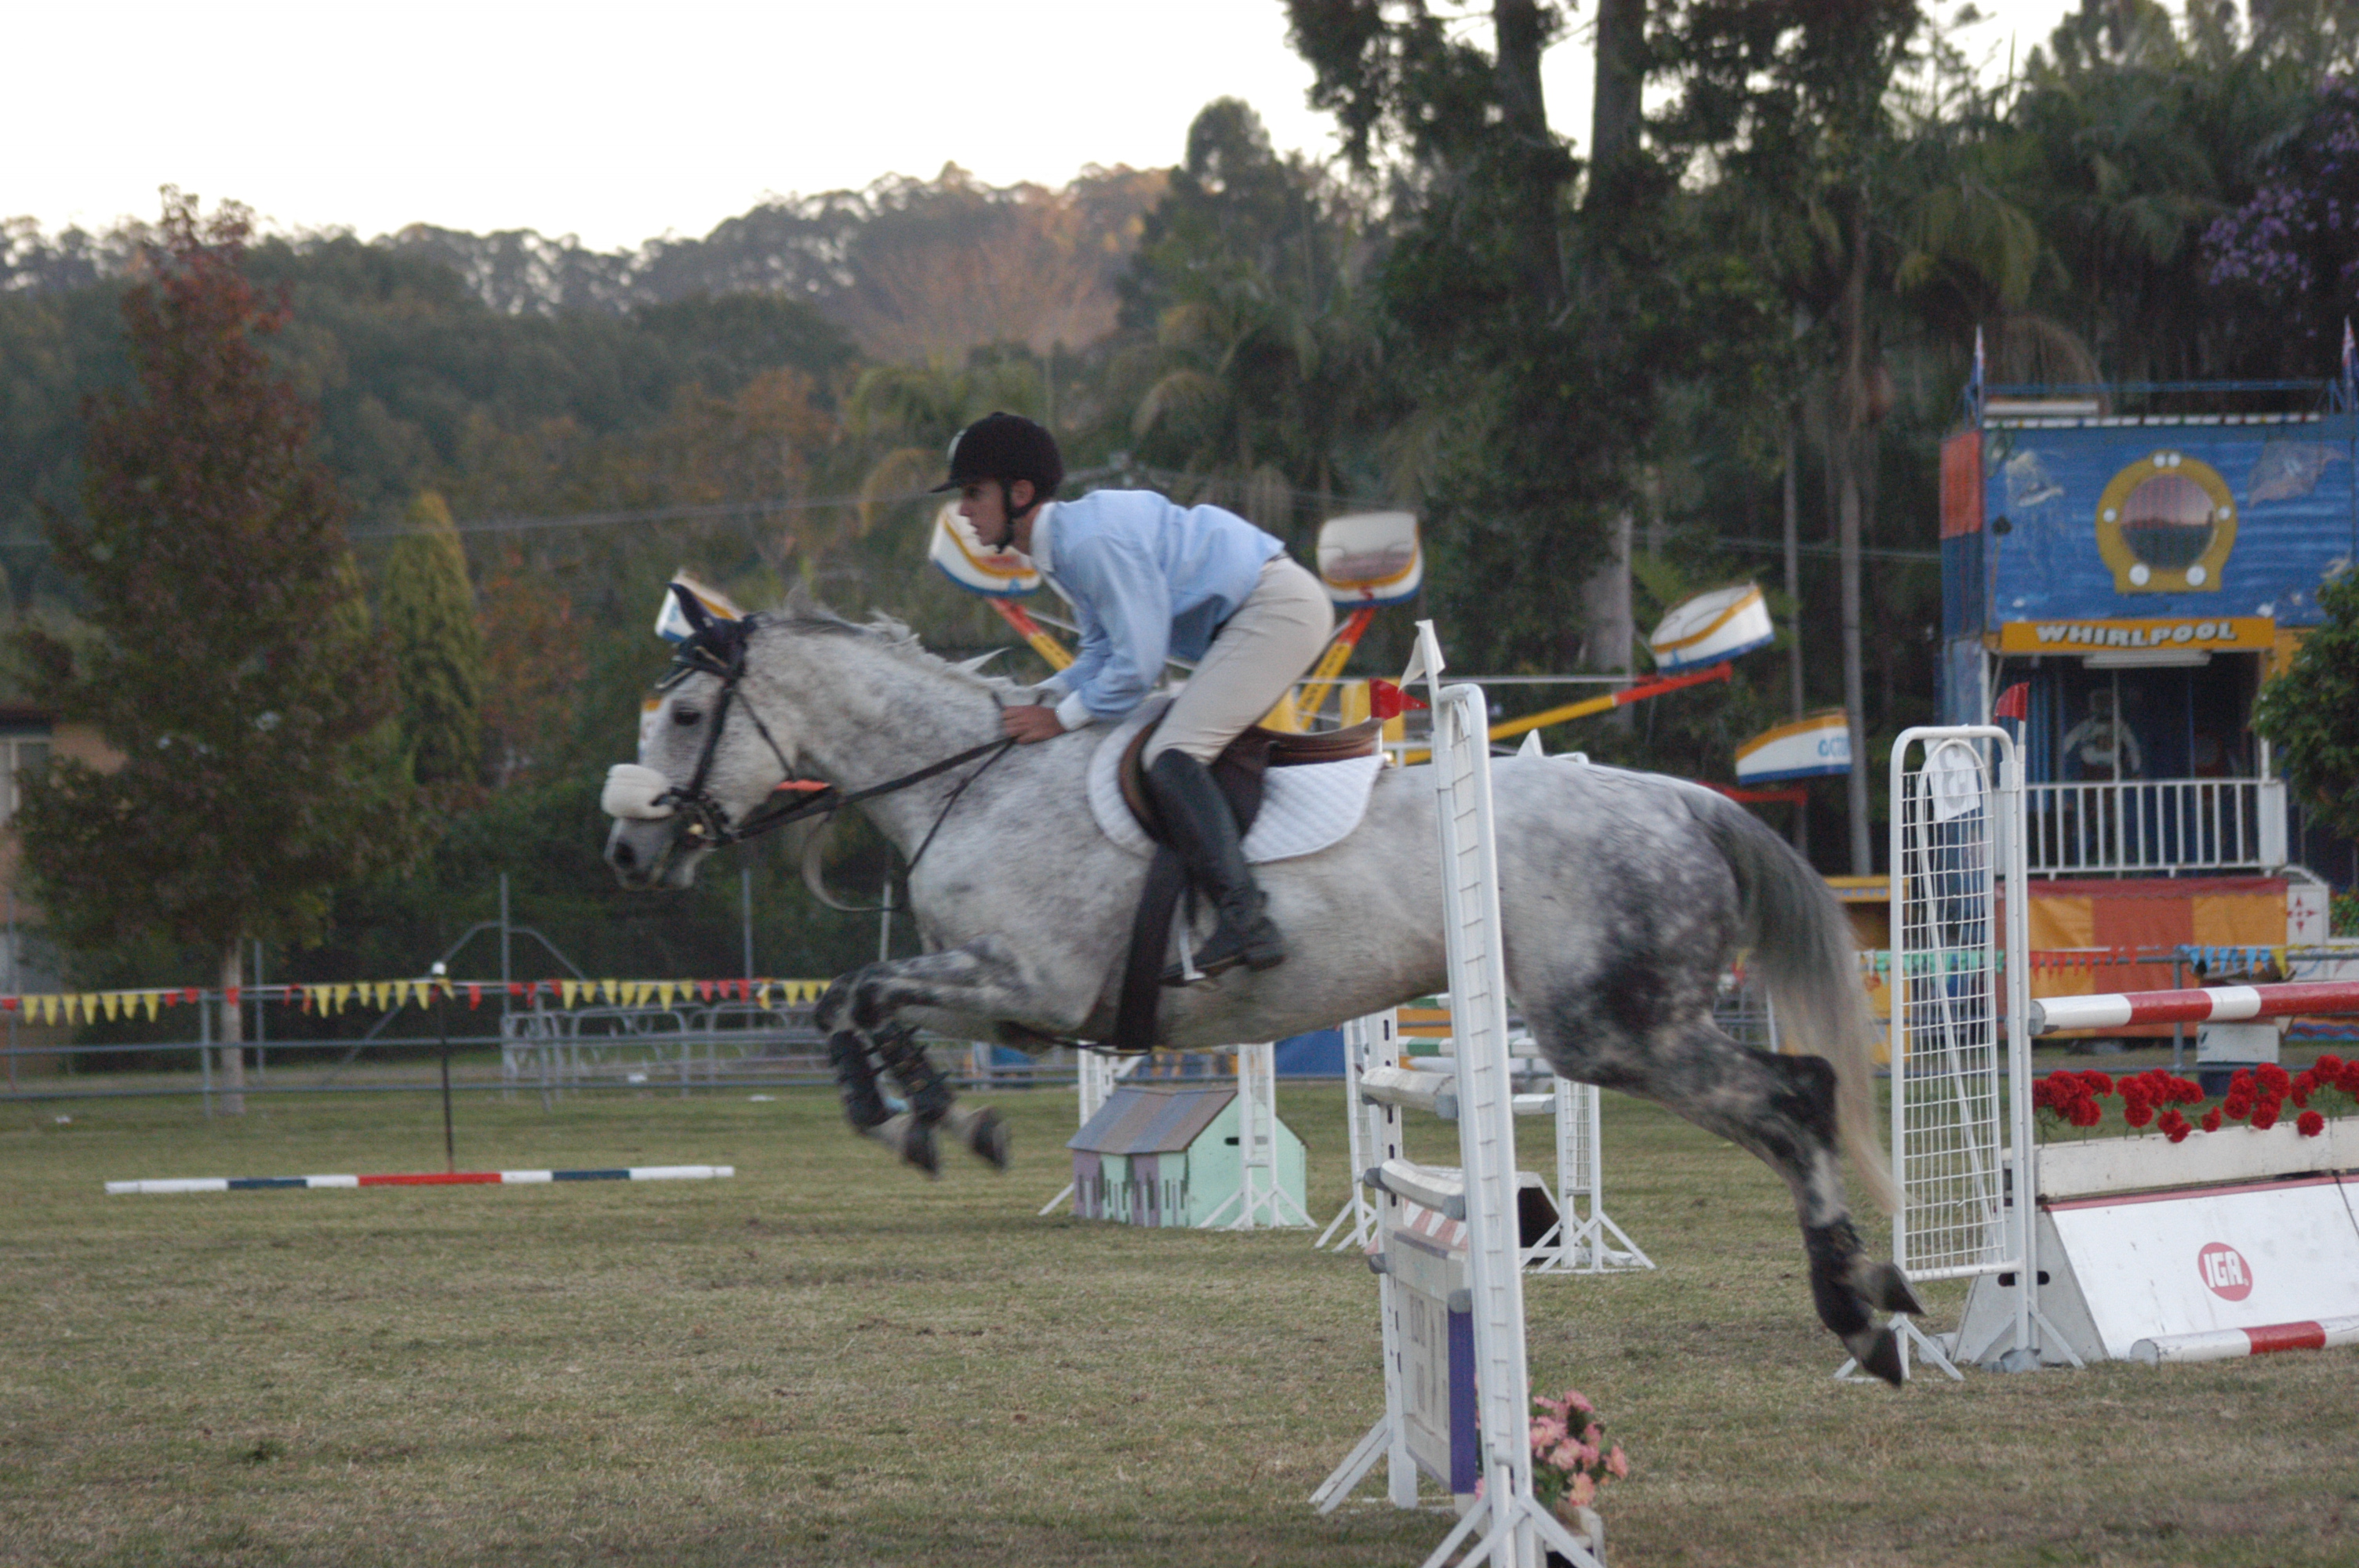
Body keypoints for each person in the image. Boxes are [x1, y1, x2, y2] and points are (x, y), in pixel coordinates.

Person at [936, 412, 1334, 979]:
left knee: (1168, 755)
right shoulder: (1064, 544)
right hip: (1258, 614)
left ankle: (1248, 919)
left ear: (1019, 493)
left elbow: (1139, 665)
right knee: (1149, 742)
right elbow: (1100, 653)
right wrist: (1038, 698)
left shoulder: (1088, 541)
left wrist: (1061, 720)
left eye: (973, 494)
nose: (964, 511)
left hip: (1276, 611)